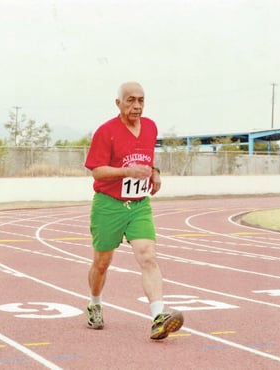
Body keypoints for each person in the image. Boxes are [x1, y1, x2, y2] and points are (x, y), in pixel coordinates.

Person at [84, 81, 183, 340]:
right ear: (119, 103)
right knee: (102, 263)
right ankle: (95, 302)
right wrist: (127, 172)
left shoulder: (150, 127)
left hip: (139, 205)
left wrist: (156, 173)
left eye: (141, 100)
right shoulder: (106, 132)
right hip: (109, 205)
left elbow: (147, 159)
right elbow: (96, 170)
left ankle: (158, 317)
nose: (136, 105)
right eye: (130, 100)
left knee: (147, 255)